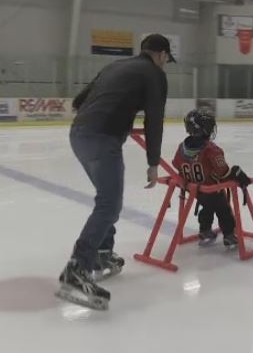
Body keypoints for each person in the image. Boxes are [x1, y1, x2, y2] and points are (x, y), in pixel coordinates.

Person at [56, 34, 175, 310]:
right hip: (102, 138)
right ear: (161, 55)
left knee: (107, 199)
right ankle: (77, 270)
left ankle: (101, 253)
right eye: (167, 59)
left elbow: (79, 101)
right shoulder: (154, 74)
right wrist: (153, 162)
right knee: (110, 204)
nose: (165, 64)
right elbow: (154, 120)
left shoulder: (115, 67)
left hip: (79, 134)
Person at [171, 109, 252, 249]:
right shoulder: (211, 150)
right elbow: (224, 173)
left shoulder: (181, 148)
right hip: (212, 190)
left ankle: (205, 232)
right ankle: (229, 236)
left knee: (207, 207)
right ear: (204, 129)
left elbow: (177, 165)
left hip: (195, 192)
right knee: (224, 210)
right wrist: (236, 172)